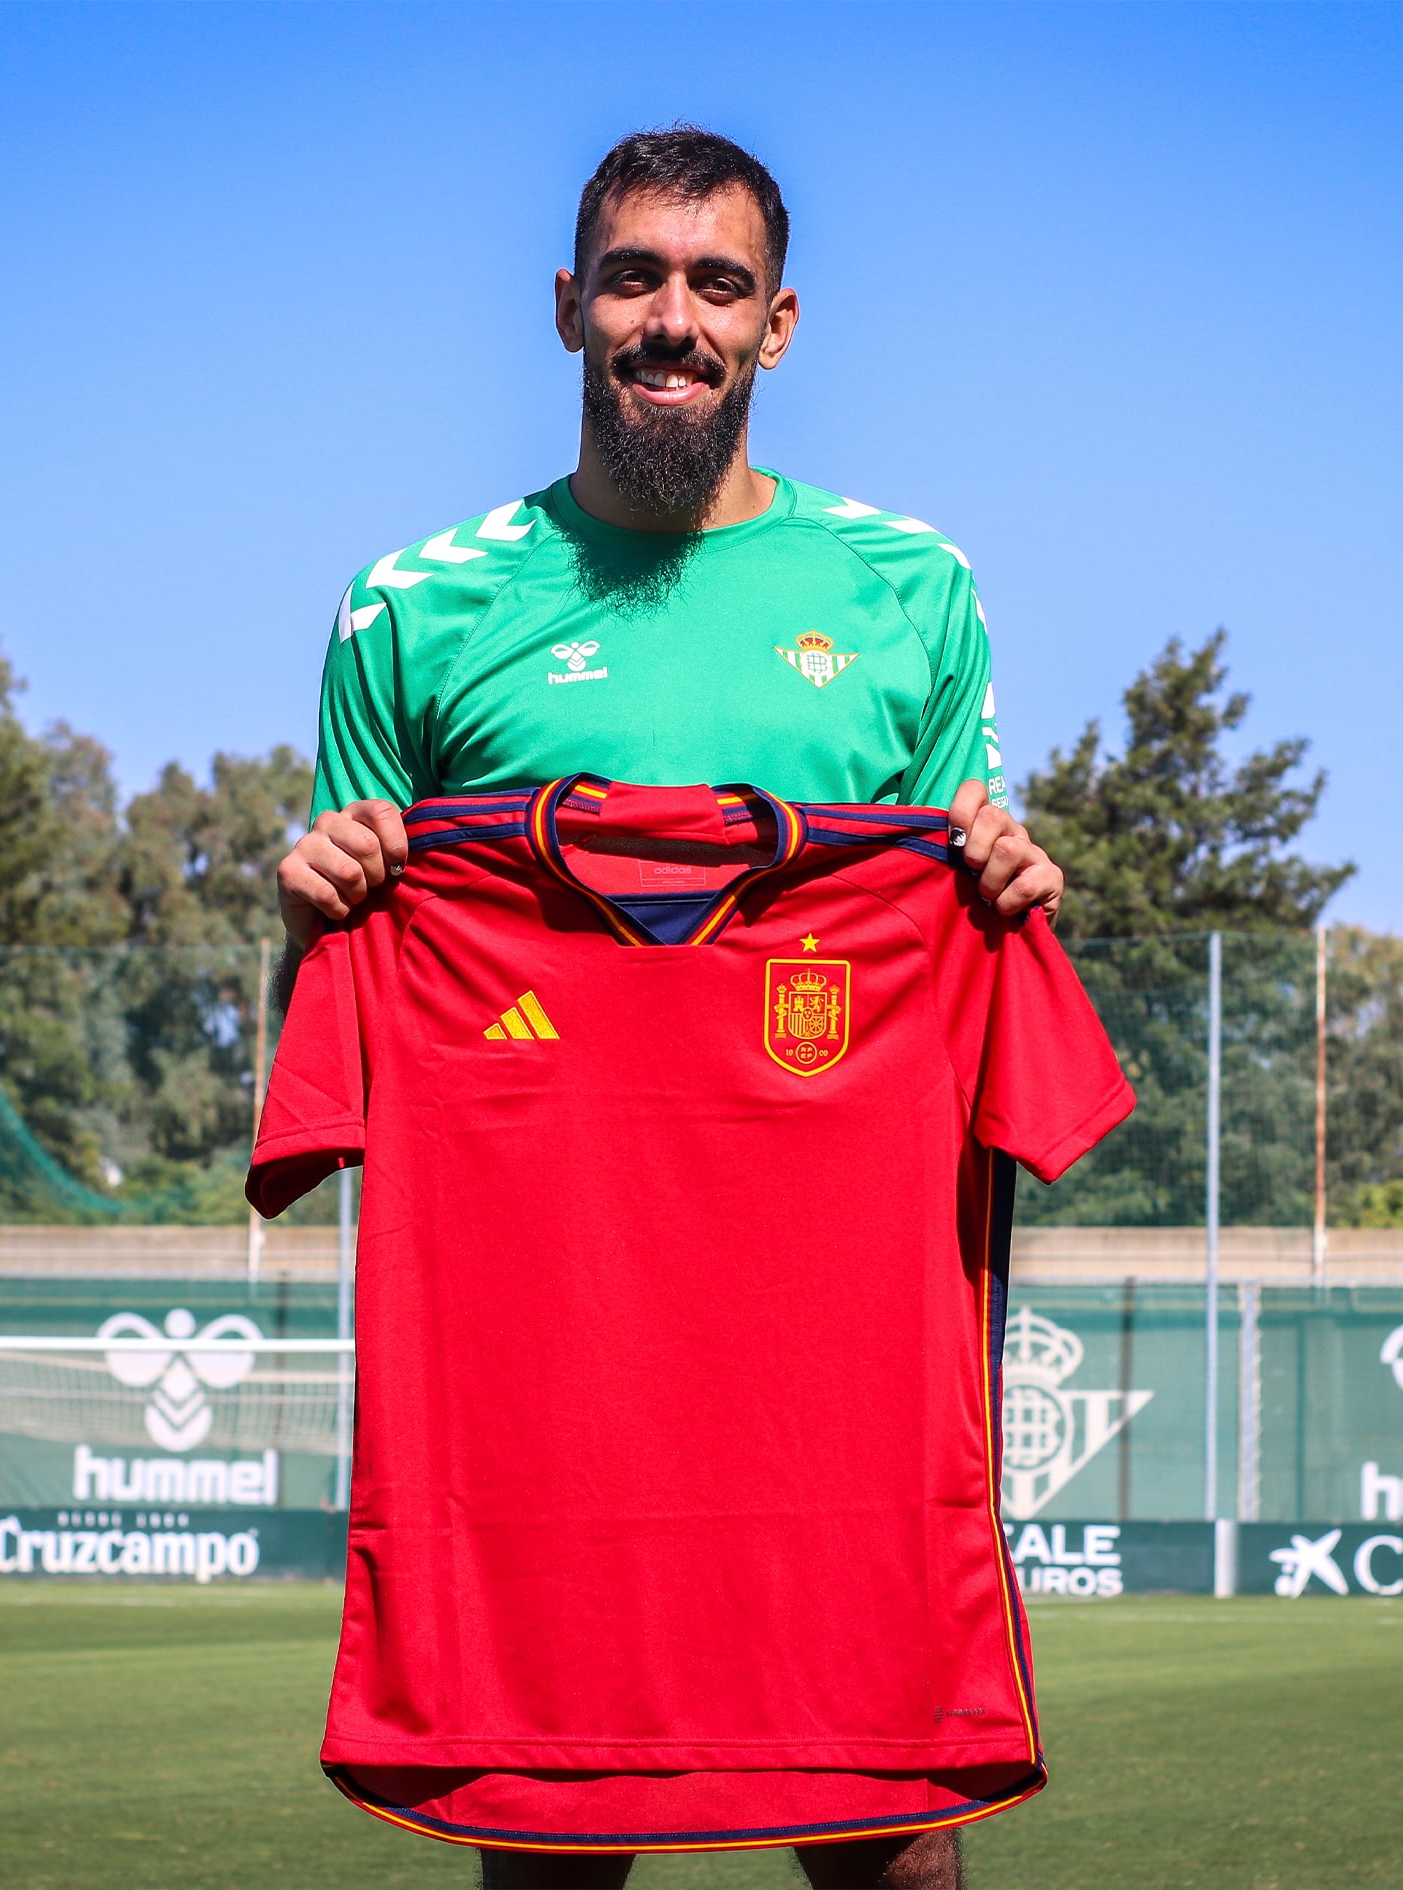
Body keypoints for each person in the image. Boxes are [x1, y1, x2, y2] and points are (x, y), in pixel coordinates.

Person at [276, 127, 1066, 1890]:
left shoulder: (909, 591)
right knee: (551, 1827)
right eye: (633, 276)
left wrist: (1003, 889)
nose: (670, 318)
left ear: (776, 325)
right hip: (543, 1314)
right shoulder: (411, 603)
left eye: (714, 284)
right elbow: (359, 983)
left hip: (832, 1312)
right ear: (569, 307)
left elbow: (954, 897)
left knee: (884, 1833)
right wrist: (316, 899)